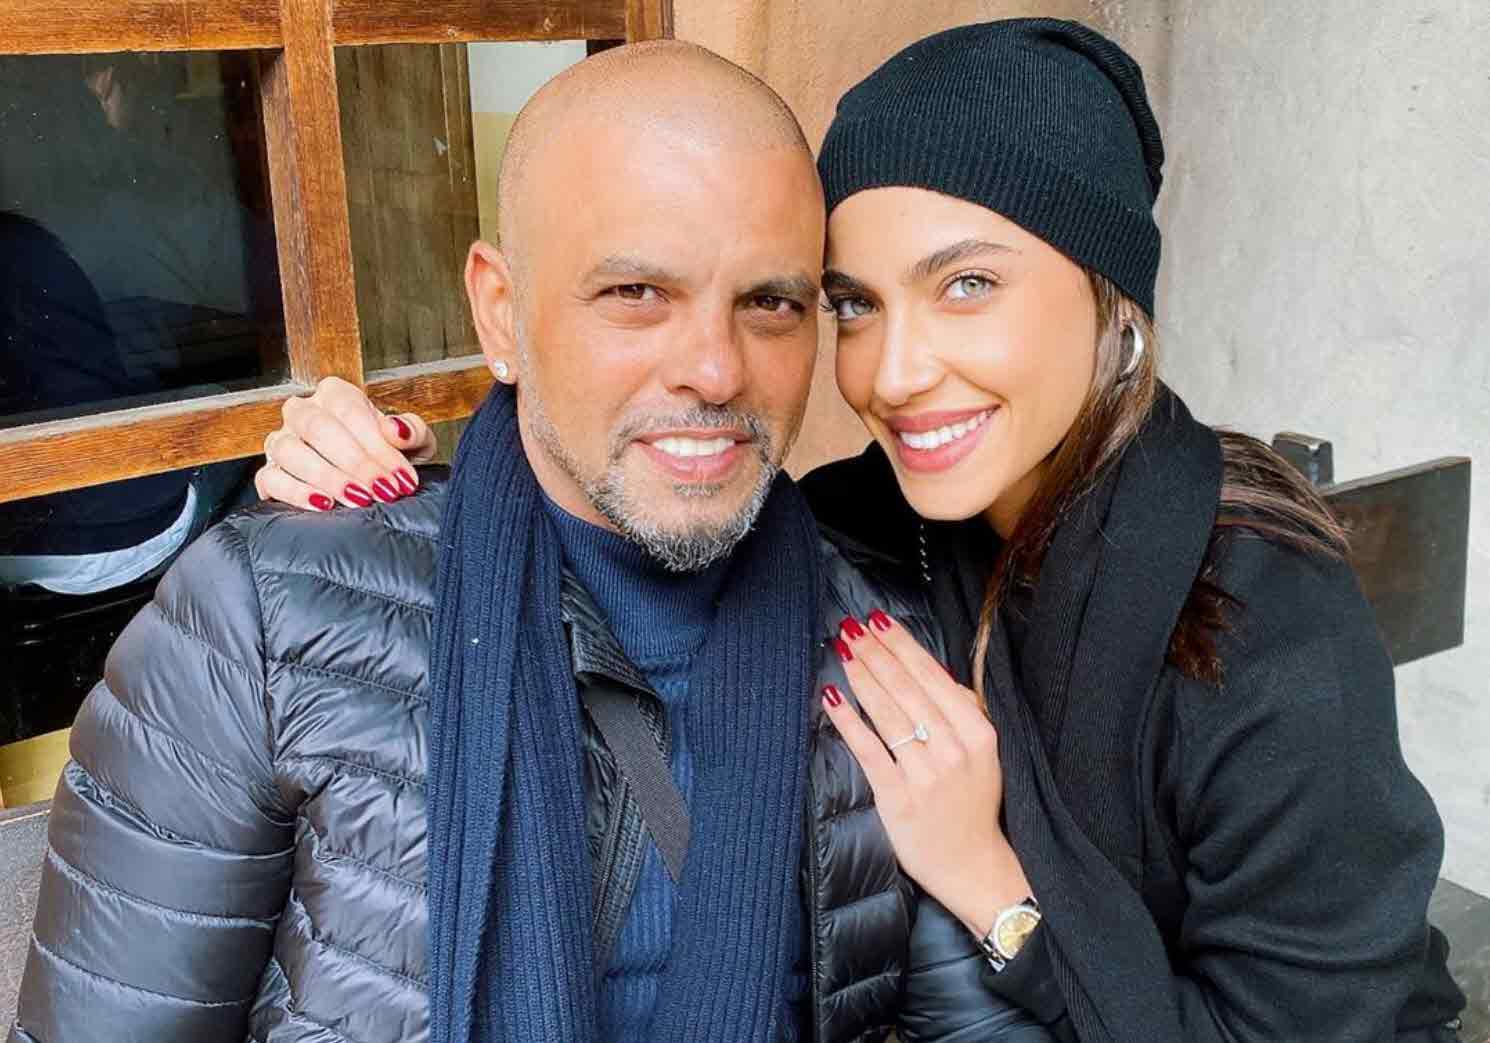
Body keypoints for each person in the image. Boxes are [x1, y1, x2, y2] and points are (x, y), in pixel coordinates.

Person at [265, 20, 1466, 1043]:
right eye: (851, 302)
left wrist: (991, 887)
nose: (893, 372)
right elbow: (625, 471)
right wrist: (391, 463)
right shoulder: (861, 525)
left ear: (1114, 305)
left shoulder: (1259, 618)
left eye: (967, 285)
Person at [9, 40, 1049, 1043]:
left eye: (770, 303)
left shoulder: (875, 646)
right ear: (500, 313)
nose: (715, 369)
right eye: (636, 293)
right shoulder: (271, 624)